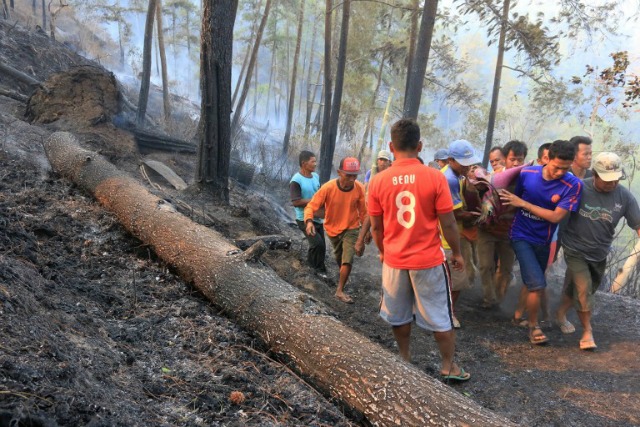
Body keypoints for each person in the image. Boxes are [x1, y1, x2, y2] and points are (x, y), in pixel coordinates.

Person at [367, 118, 470, 381]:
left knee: (398, 315)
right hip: (429, 261)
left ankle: (404, 359)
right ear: (420, 145)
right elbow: (448, 222)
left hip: (394, 261)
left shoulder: (378, 181)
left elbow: (376, 228)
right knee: (441, 317)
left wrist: (382, 251)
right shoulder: (434, 177)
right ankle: (448, 366)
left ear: (391, 146)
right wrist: (457, 253)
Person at [499, 139, 583, 345]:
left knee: (532, 280)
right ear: (547, 159)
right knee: (537, 283)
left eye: (565, 168)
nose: (559, 173)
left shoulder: (573, 185)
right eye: (556, 167)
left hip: (544, 239)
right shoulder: (527, 174)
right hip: (520, 234)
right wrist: (491, 214)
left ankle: (518, 315)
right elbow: (512, 201)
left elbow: (555, 217)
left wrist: (523, 204)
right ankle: (533, 327)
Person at [555, 152, 640, 350]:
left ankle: (560, 313)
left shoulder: (624, 196)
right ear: (595, 174)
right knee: (584, 290)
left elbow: (637, 224)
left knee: (582, 289)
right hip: (575, 248)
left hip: (599, 252)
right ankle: (587, 333)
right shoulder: (579, 188)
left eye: (616, 179)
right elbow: (559, 211)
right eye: (607, 180)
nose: (612, 184)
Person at [304, 157, 368, 304]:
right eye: (348, 175)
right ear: (339, 172)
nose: (352, 179)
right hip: (333, 230)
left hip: (352, 228)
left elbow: (364, 213)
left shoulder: (359, 188)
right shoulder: (328, 188)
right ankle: (343, 277)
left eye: (355, 175)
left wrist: (366, 233)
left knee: (348, 258)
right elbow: (311, 206)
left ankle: (339, 290)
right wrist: (308, 222)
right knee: (340, 259)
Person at [477, 140, 526, 309]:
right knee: (485, 265)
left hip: (509, 231)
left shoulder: (526, 179)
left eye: (520, 159)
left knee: (505, 269)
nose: (516, 163)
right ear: (505, 158)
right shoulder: (493, 178)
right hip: (487, 229)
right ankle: (489, 298)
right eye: (513, 159)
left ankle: (498, 300)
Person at [442, 139, 482, 327]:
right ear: (451, 160)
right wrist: (478, 215)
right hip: (446, 238)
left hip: (447, 235)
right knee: (457, 278)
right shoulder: (449, 179)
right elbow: (454, 213)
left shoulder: (456, 175)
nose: (467, 167)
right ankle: (449, 314)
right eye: (463, 164)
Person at [290, 151, 327, 275]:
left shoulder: (315, 177)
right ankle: (314, 270)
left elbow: (321, 193)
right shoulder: (296, 180)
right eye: (313, 162)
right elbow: (296, 201)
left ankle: (317, 269)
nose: (315, 164)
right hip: (304, 218)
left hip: (317, 217)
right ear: (304, 163)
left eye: (315, 161)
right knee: (317, 244)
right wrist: (315, 201)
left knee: (321, 246)